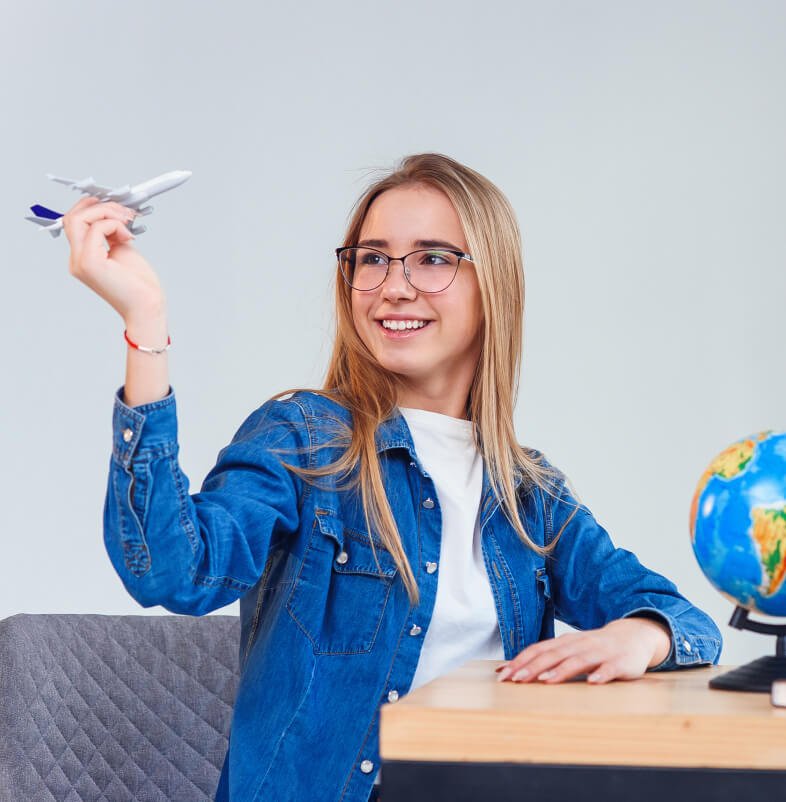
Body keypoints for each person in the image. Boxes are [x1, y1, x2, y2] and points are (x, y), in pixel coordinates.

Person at [62, 153, 722, 802]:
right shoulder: (305, 438)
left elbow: (686, 621)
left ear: (493, 284)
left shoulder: (530, 494)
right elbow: (172, 571)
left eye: (432, 258)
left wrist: (643, 634)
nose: (394, 286)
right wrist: (146, 321)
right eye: (372, 258)